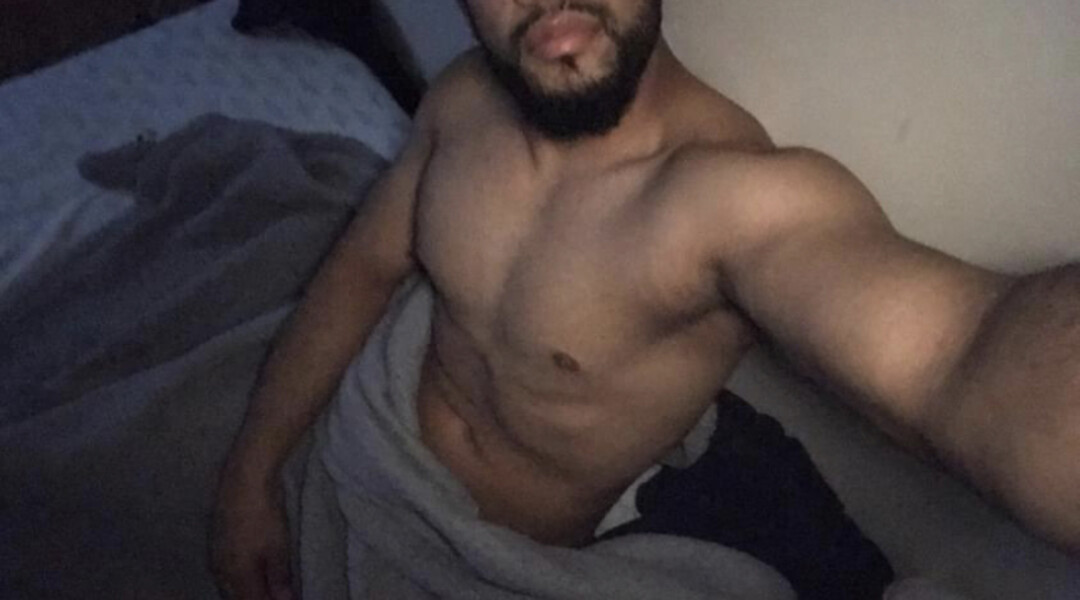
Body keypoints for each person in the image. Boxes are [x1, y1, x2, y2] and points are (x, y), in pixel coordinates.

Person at [211, 0, 1080, 598]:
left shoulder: (728, 200)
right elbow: (364, 267)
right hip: (361, 438)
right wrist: (251, 475)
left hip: (478, 561)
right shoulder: (462, 96)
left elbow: (960, 360)